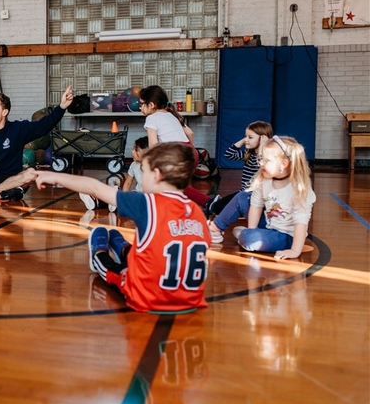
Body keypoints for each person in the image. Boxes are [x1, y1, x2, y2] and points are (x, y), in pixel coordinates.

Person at [35, 142, 210, 313]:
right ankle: (124, 249)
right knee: (155, 246)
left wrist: (56, 177)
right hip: (190, 299)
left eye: (144, 172)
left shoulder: (146, 203)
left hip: (148, 298)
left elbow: (96, 188)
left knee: (111, 270)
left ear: (156, 175)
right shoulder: (197, 212)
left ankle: (99, 253)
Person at [139, 85, 218, 213]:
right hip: (190, 151)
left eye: (142, 104)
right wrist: (188, 149)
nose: (140, 107)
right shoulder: (172, 115)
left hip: (178, 154)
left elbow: (153, 145)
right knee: (177, 185)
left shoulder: (151, 118)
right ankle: (202, 203)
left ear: (152, 104)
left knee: (164, 182)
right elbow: (190, 133)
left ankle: (205, 202)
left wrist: (147, 162)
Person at [236, 135, 316, 260]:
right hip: (269, 226)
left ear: (283, 164)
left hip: (286, 236)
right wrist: (252, 230)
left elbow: (301, 222)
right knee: (242, 198)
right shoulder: (265, 180)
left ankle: (246, 235)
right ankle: (248, 233)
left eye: (266, 161)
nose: (261, 163)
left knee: (250, 239)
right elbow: (256, 206)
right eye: (261, 159)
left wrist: (294, 251)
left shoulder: (300, 188)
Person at [207, 121, 273, 243]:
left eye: (250, 137)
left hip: (253, 197)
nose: (246, 140)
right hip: (244, 193)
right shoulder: (249, 154)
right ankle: (217, 205)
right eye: (245, 136)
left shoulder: (266, 158)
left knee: (230, 203)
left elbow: (262, 164)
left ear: (263, 138)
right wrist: (246, 140)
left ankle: (217, 227)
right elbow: (228, 154)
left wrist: (264, 146)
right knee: (215, 207)